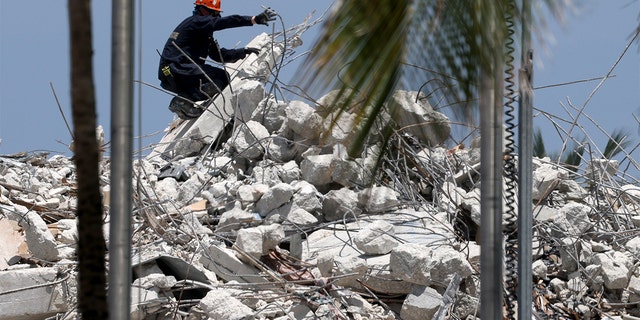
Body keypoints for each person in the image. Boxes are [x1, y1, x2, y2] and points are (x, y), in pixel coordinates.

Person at [158, 0, 276, 119]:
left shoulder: (202, 34)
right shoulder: (196, 21)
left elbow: (218, 55)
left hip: (171, 75)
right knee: (221, 77)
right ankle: (182, 101)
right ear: (203, 10)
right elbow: (223, 22)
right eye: (214, 14)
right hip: (177, 68)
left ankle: (184, 101)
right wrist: (253, 19)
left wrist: (243, 52)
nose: (215, 17)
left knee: (215, 78)